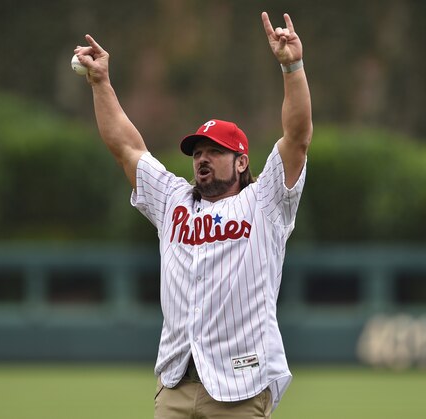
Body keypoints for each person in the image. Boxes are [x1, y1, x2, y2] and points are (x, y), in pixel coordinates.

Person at [75, 11, 312, 419]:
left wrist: (292, 67)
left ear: (241, 162)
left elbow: (297, 137)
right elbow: (127, 147)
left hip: (242, 387)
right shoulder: (174, 201)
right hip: (175, 387)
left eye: (215, 151)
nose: (202, 158)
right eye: (197, 152)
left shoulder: (266, 201)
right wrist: (101, 82)